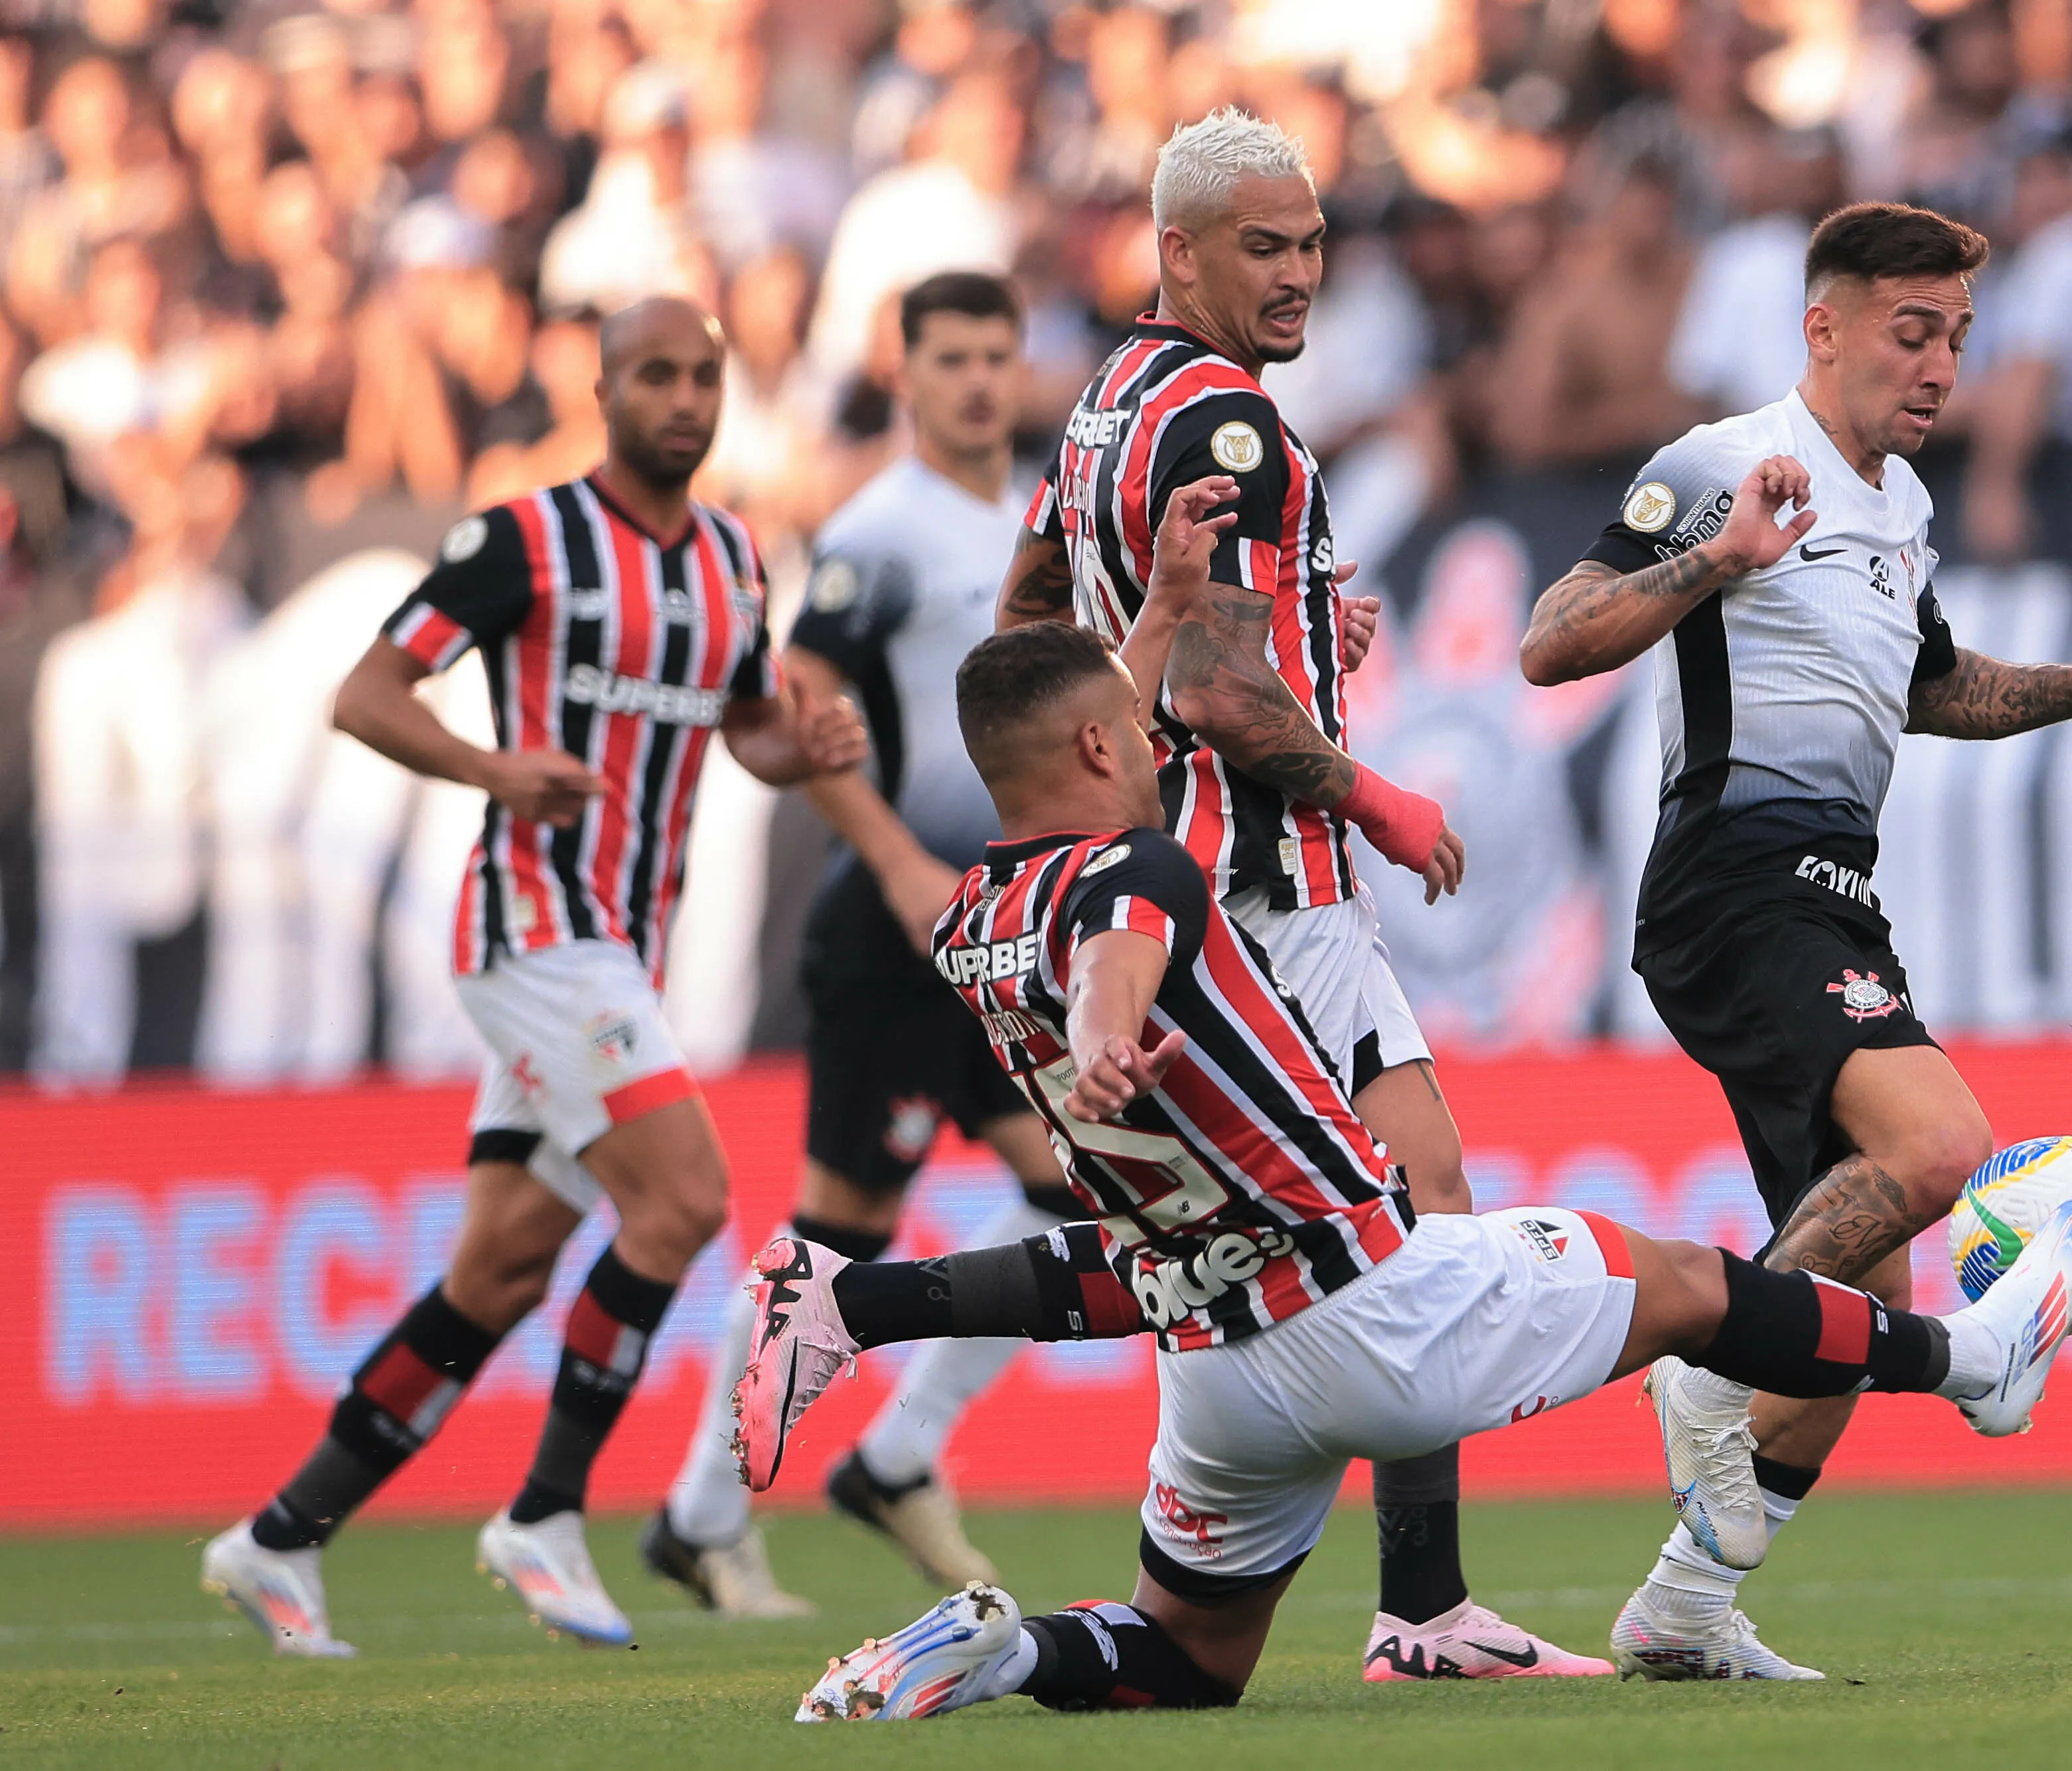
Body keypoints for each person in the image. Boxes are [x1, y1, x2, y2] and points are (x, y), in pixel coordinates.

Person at [729, 615, 2072, 1721]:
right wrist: (1101, 1028)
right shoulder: (1137, 867)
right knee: (1683, 1281)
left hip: (1213, 1358)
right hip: (1370, 1301)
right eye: (1133, 724)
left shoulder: (976, 914)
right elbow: (1119, 944)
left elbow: (1084, 832)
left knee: (1185, 1658)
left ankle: (998, 1647)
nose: (1156, 739)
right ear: (1100, 738)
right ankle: (1970, 1359)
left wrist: (1159, 606)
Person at [1517, 201, 2072, 1680]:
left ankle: (1679, 1612)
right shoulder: (1722, 463)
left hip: (1827, 885)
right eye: (1910, 330)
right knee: (1941, 1149)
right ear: (1821, 329)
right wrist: (1720, 557)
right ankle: (1701, 1360)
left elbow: (1933, 688)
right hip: (1734, 877)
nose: (1941, 363)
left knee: (1851, 1312)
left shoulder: (1897, 510)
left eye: (1956, 335)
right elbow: (1549, 639)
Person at [994, 106, 1595, 1682]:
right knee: (1370, 1237)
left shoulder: (1102, 407)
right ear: (1176, 248)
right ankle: (1416, 1607)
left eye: (1312, 244)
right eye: (1263, 246)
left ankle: (1419, 1606)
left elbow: (1023, 627)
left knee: (1398, 1209)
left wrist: (1304, 625)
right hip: (1266, 893)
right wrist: (1378, 793)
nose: (1297, 274)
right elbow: (1211, 687)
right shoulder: (1229, 424)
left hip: (1205, 890)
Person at [196, 296, 869, 1656]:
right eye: (656, 376)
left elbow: (741, 724)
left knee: (501, 1267)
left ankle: (276, 1536)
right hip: (532, 921)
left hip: (626, 943)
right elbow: (367, 693)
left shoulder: (737, 558)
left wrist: (803, 743)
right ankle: (547, 1512)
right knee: (682, 1200)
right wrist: (499, 769)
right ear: (606, 390)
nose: (684, 399)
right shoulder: (525, 539)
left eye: (703, 378)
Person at [642, 271, 1080, 1615]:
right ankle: (700, 1513)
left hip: (992, 929)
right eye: (948, 358)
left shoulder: (1033, 516)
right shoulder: (879, 530)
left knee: (1084, 1184)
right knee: (833, 1238)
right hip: (895, 931)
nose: (975, 382)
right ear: (905, 376)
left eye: (995, 355)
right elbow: (803, 700)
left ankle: (893, 1454)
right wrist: (893, 859)